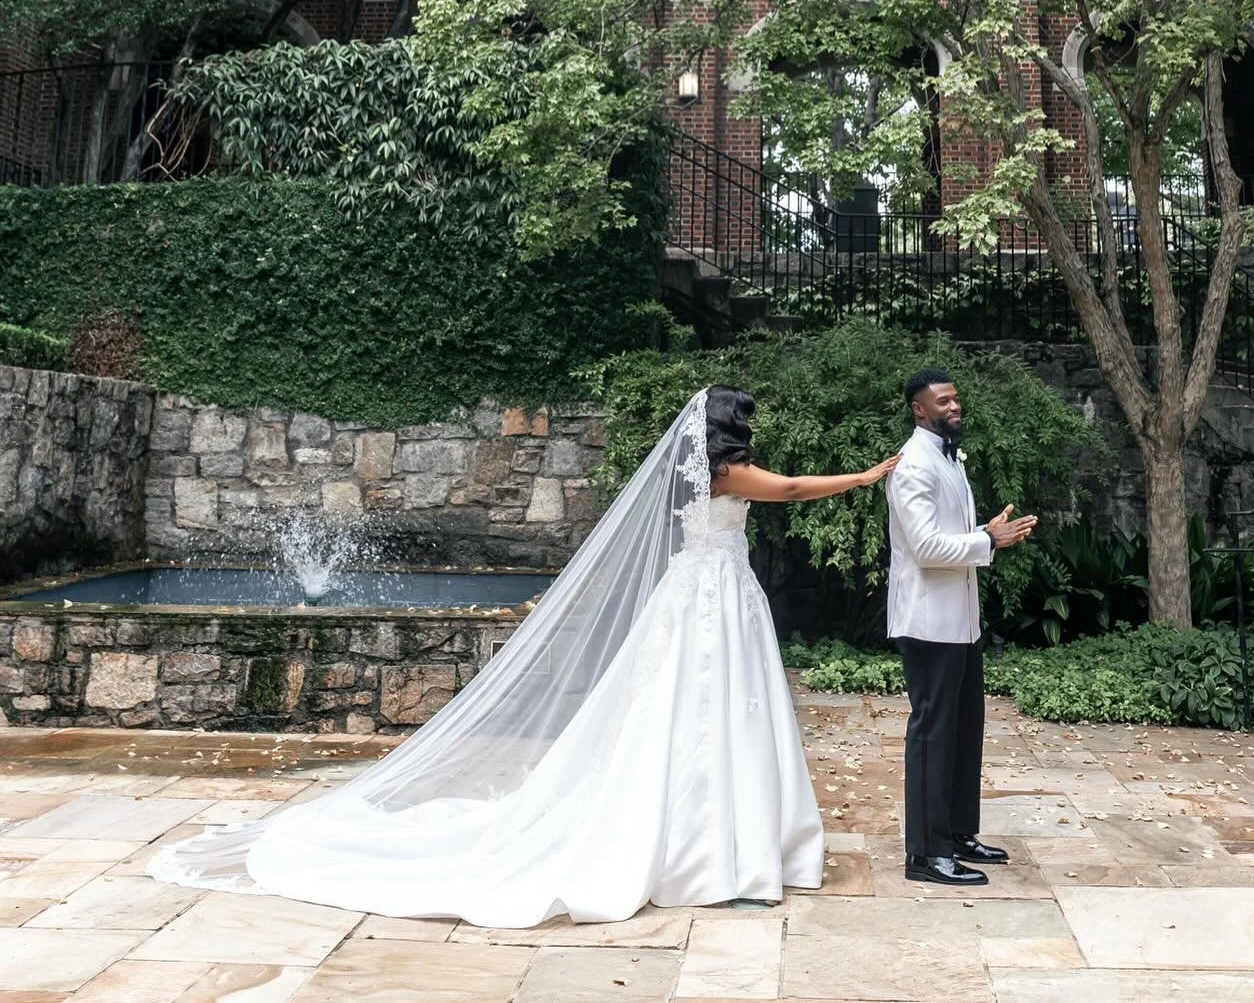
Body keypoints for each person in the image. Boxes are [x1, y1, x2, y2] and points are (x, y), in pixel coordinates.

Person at [150, 386, 898, 926]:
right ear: (729, 428)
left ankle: (719, 839)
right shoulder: (727, 472)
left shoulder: (692, 471)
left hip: (704, 593)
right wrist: (865, 477)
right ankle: (713, 848)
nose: (753, 428)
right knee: (707, 708)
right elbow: (794, 487)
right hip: (713, 599)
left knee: (692, 711)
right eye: (748, 419)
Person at [886, 367, 1036, 887]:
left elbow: (950, 536)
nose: (954, 407)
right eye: (943, 401)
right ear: (919, 409)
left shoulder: (948, 457)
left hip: (961, 622)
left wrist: (984, 535)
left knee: (965, 731)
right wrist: (989, 541)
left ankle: (956, 834)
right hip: (928, 622)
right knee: (932, 735)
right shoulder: (912, 467)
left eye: (955, 399)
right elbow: (926, 548)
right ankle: (925, 855)